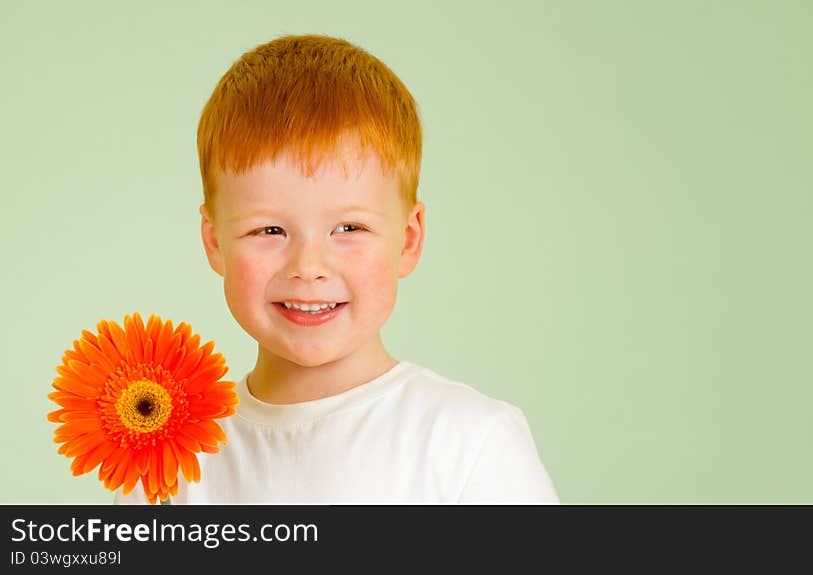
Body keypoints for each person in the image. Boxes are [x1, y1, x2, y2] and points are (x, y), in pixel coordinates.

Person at [116, 34, 558, 504]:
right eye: (269, 231)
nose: (309, 267)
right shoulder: (173, 461)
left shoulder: (468, 442)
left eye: (348, 227)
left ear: (408, 239)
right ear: (214, 241)